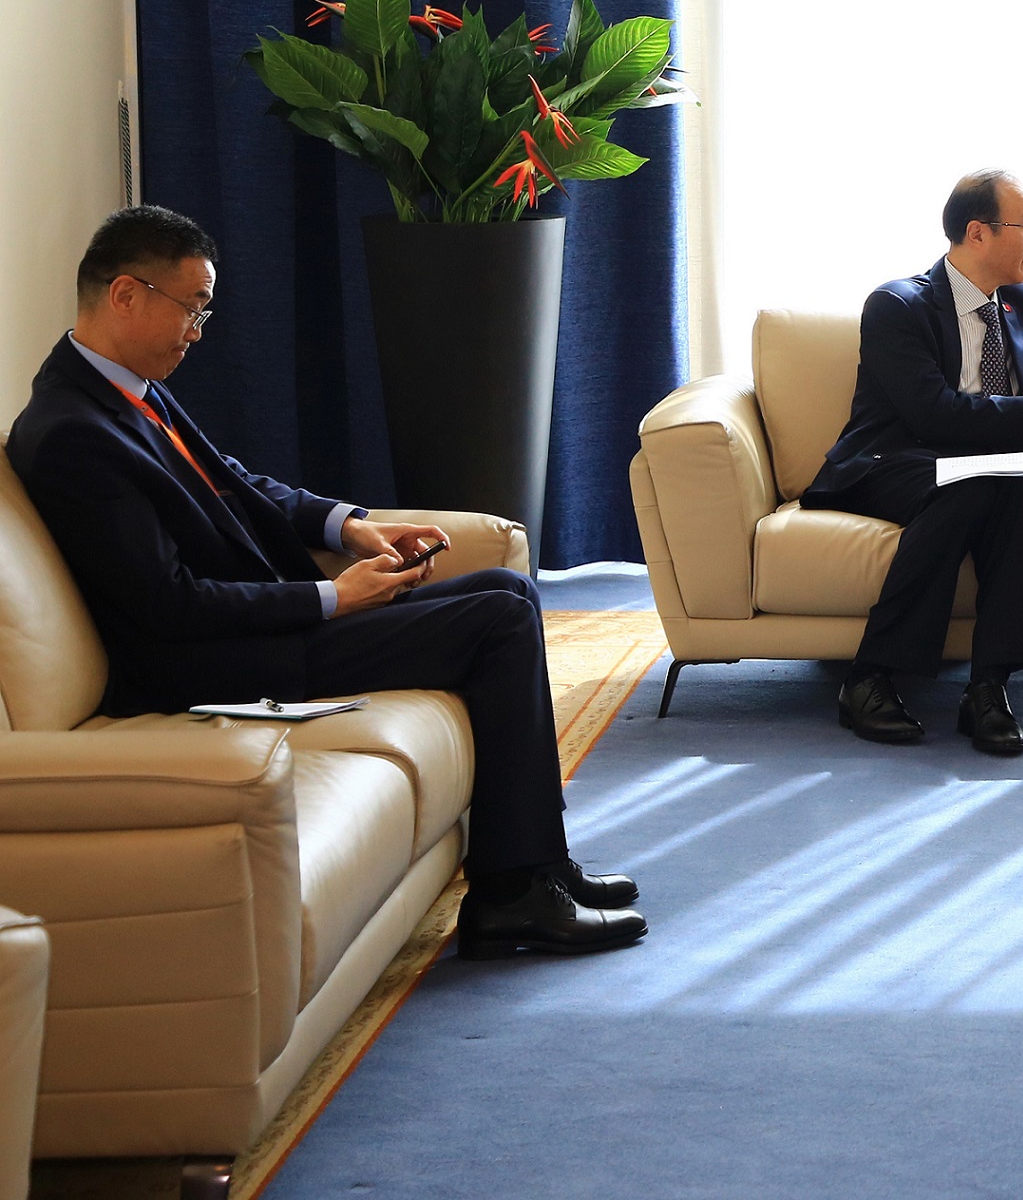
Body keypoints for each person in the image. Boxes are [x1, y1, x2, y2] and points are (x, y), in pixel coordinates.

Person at [6, 207, 644, 959]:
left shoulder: (126, 387)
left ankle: (538, 863)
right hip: (208, 664)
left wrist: (352, 527)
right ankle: (512, 895)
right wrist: (338, 596)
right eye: (192, 309)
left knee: (509, 593)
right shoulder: (72, 432)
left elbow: (234, 483)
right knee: (496, 621)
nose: (197, 332)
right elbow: (169, 605)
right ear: (125, 294)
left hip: (253, 630)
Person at [803, 169, 1023, 754]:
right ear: (978, 233)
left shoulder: (1021, 302)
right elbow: (933, 415)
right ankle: (872, 676)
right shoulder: (897, 305)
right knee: (980, 482)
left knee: (1014, 478)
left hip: (976, 470)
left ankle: (987, 686)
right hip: (891, 461)